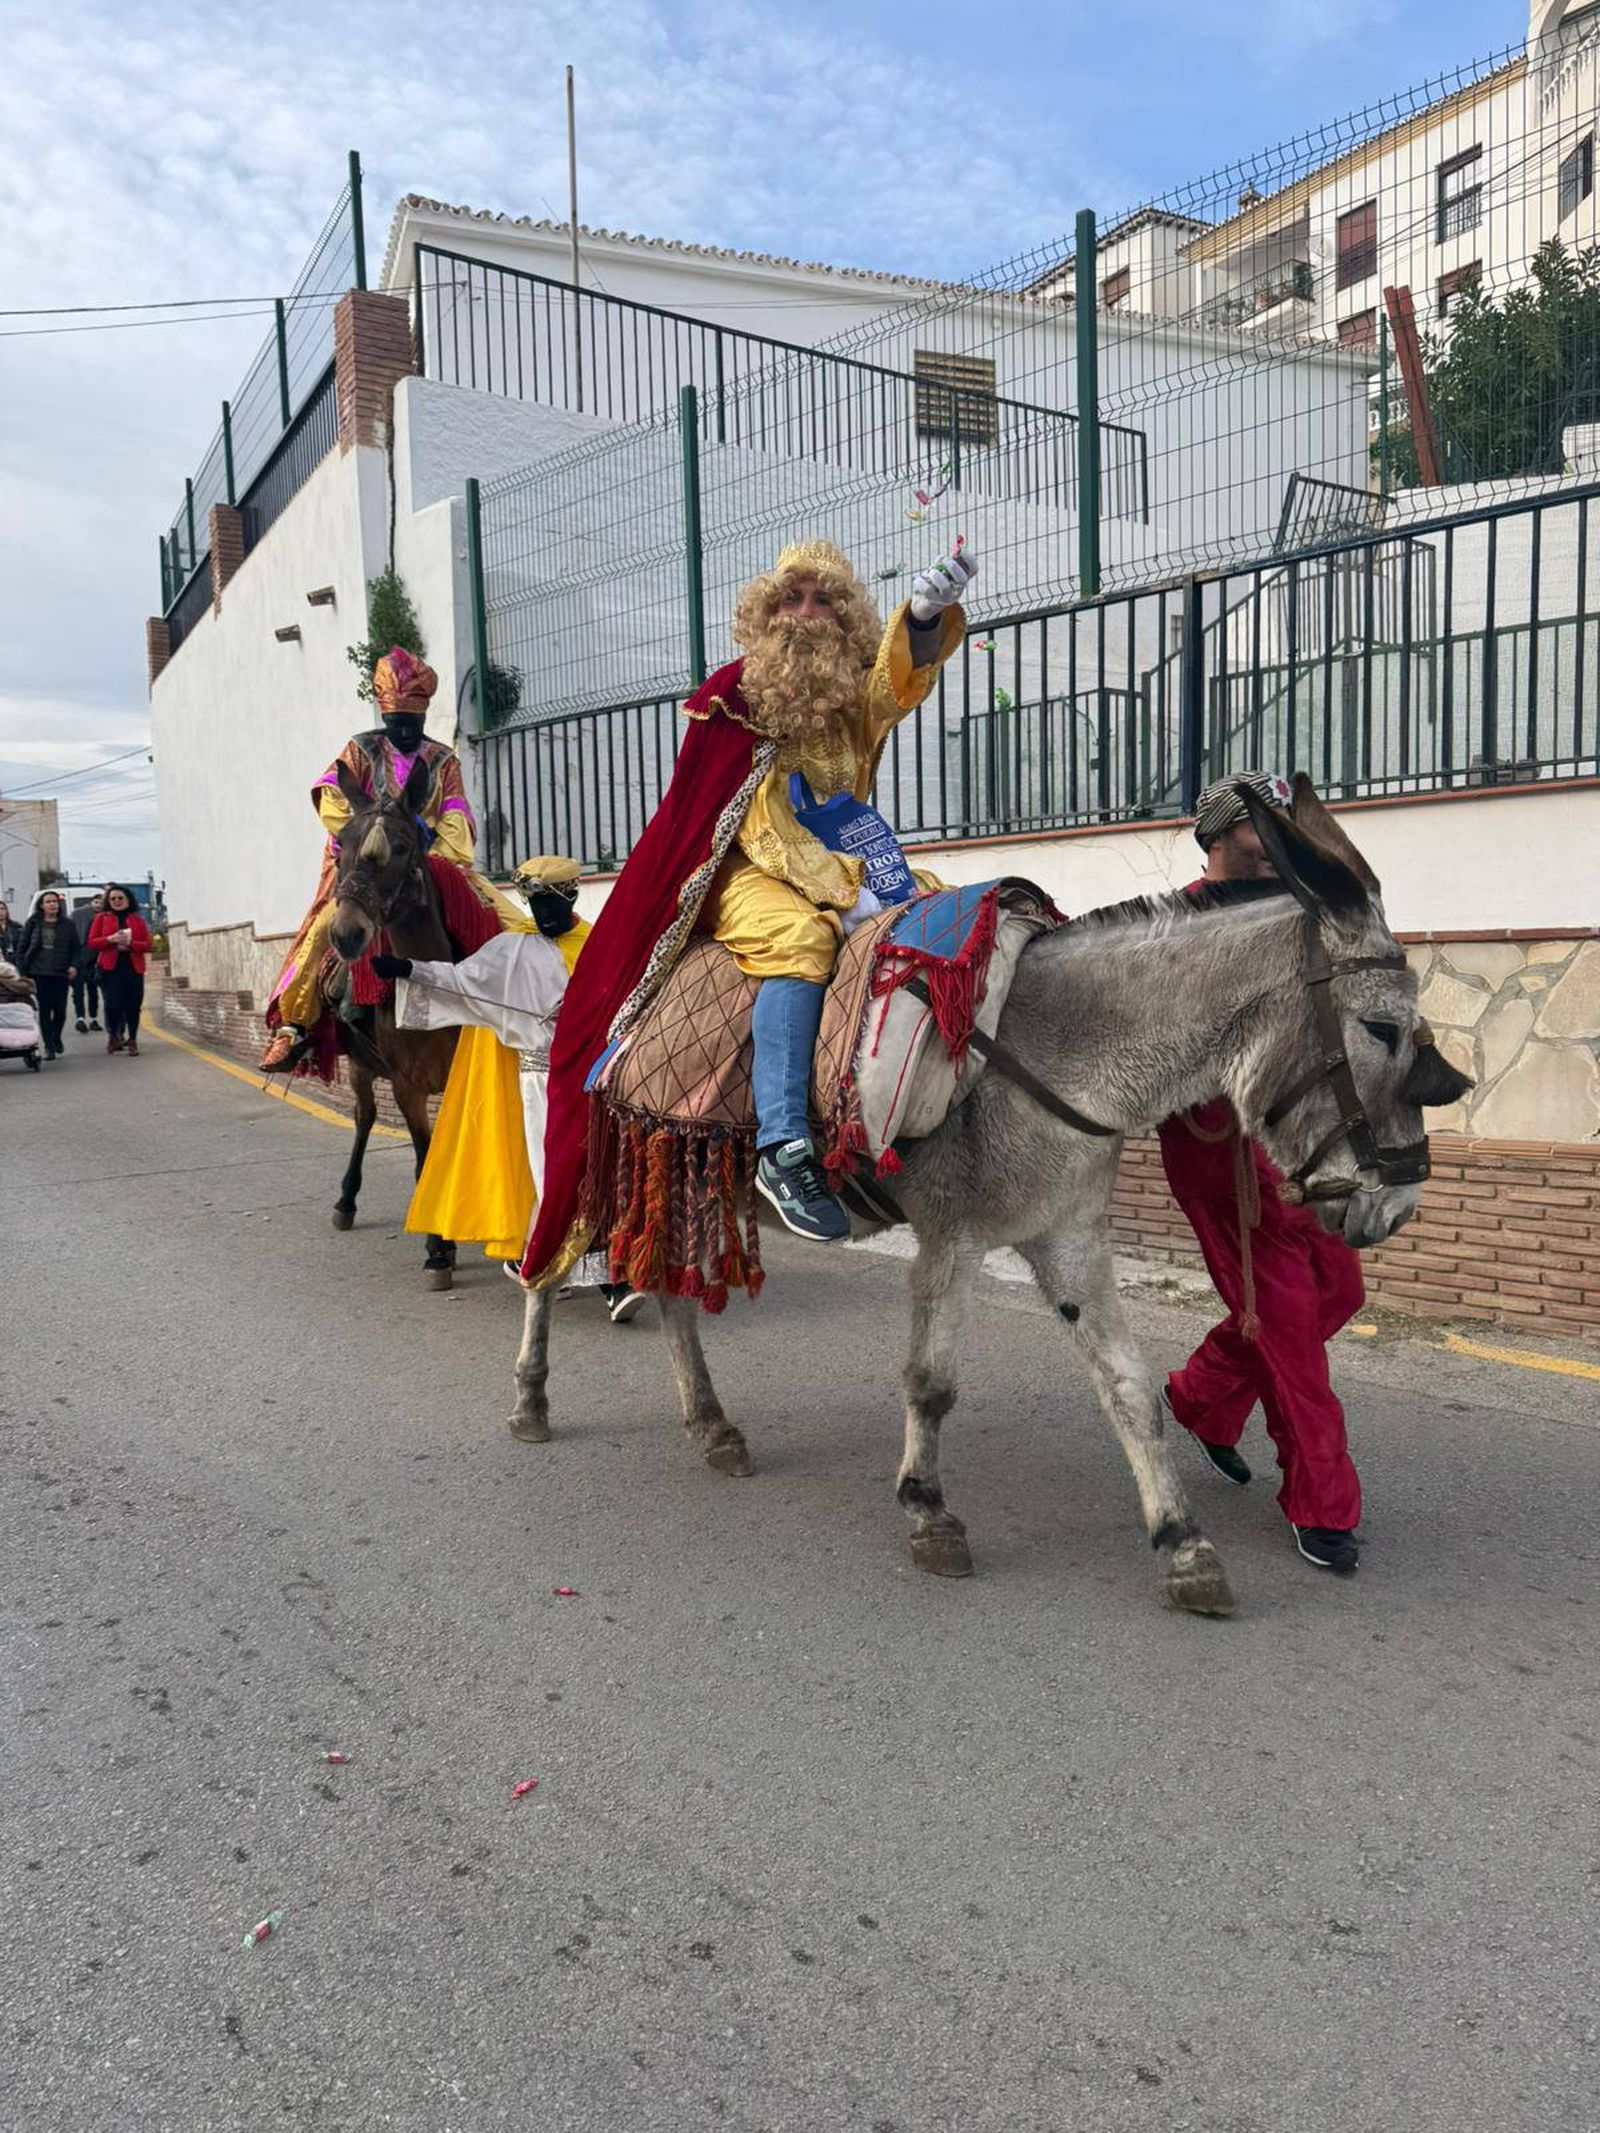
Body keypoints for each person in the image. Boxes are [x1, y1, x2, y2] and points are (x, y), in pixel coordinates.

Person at [518, 537, 973, 1294]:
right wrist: (830, 884)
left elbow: (895, 686)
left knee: (935, 909)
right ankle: (784, 1145)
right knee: (799, 939)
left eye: (823, 600)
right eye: (791, 599)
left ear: (846, 616)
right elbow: (745, 820)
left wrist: (923, 619)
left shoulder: (847, 693)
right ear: (766, 613)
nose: (805, 614)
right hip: (751, 869)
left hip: (847, 861)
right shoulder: (734, 693)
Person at [1157, 771, 1369, 1576]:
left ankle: (1200, 1397)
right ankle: (1323, 1504)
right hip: (1224, 1162)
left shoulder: (1294, 910)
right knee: (1288, 1338)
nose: (1276, 843)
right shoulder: (1173, 929)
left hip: (1300, 1151)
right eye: (1259, 832)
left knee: (1340, 1293)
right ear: (1217, 839)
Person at [374, 854, 646, 1324]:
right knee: (559, 1174)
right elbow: (462, 982)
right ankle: (607, 1278)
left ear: (572, 897)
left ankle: (536, 1260)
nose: (541, 915)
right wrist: (408, 969)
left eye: (550, 903)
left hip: (598, 1079)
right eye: (533, 904)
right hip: (541, 1082)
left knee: (604, 1168)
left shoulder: (600, 944)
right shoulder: (509, 950)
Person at [259, 648, 522, 1073]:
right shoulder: (360, 749)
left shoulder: (441, 759)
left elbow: (456, 812)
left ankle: (522, 995)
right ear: (384, 716)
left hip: (428, 858)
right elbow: (331, 794)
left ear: (422, 718)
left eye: (412, 724)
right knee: (323, 929)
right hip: (363, 865)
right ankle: (295, 1027)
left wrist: (426, 848)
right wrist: (366, 836)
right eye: (396, 723)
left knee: (502, 916)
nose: (403, 731)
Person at [87, 885, 153, 1054]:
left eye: (120, 898)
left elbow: (148, 945)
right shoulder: (102, 918)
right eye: (113, 899)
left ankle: (132, 1039)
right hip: (110, 968)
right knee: (113, 1004)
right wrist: (111, 939)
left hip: (133, 968)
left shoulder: (137, 920)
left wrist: (131, 944)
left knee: (133, 1005)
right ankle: (113, 1036)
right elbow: (93, 942)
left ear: (128, 900)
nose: (117, 901)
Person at [18, 888, 77, 1059]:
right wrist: (22, 970)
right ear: (42, 906)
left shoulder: (67, 924)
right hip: (39, 972)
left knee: (60, 1010)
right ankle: (49, 1046)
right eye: (48, 902)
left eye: (55, 901)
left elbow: (76, 948)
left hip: (60, 972)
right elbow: (23, 947)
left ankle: (56, 1037)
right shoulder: (33, 923)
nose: (52, 904)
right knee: (45, 1009)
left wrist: (74, 965)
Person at [71, 891, 105, 1033]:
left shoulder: (102, 916)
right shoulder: (80, 914)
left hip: (89, 960)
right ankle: (84, 1019)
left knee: (89, 992)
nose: (98, 905)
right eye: (96, 902)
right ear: (91, 902)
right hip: (82, 959)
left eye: (101, 903)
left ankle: (89, 1019)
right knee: (83, 992)